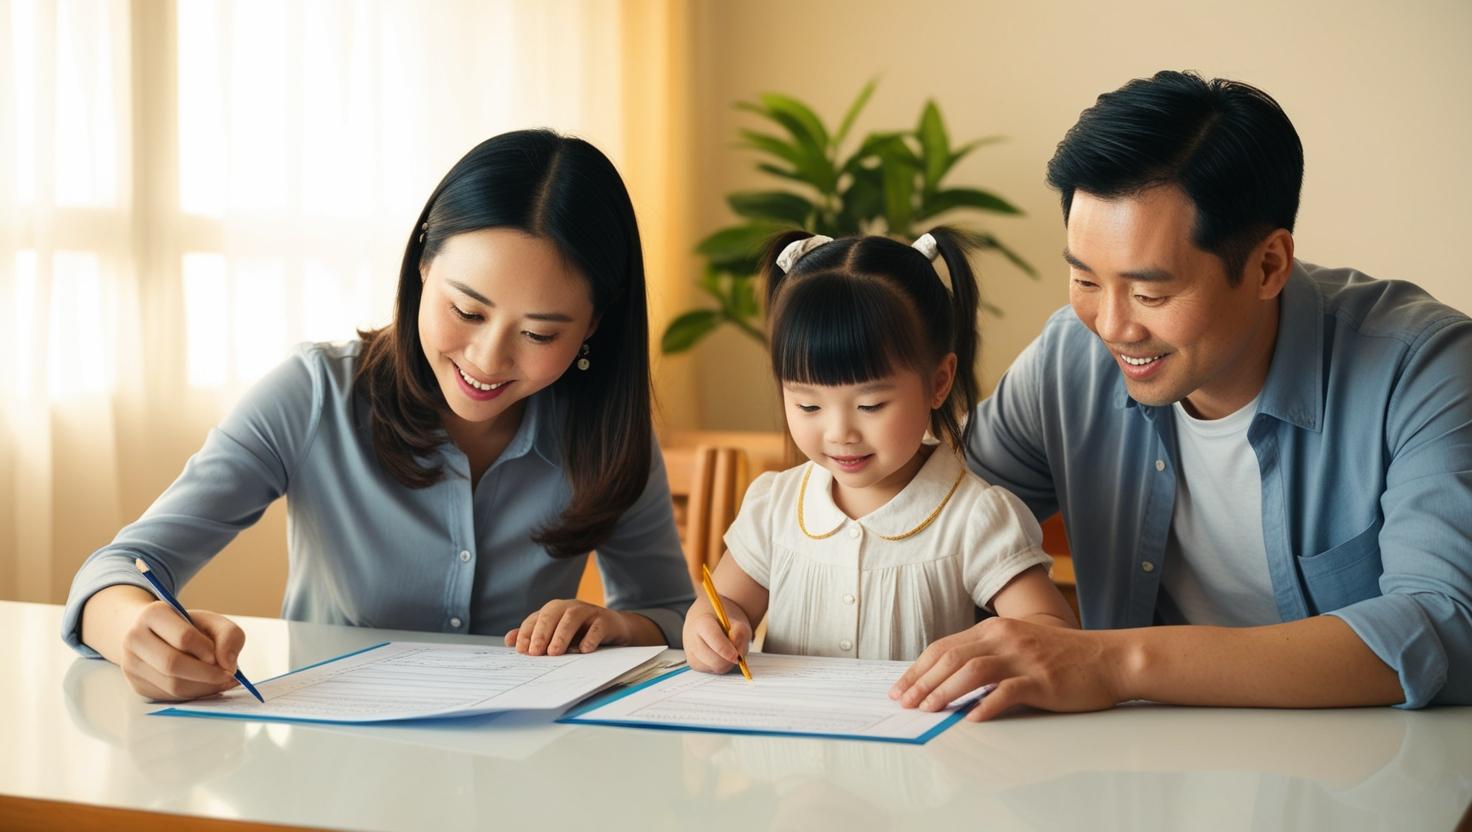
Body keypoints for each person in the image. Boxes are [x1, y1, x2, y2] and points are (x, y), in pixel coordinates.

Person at [889, 70, 1472, 720]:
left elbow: (1443, 625)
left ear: (1268, 266)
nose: (1112, 327)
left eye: (1150, 293)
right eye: (1084, 279)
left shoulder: (1425, 368)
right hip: (1133, 779)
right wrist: (753, 592)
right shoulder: (1069, 359)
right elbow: (932, 521)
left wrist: (1114, 662)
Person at [63, 129, 694, 701]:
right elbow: (118, 569)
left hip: (518, 775)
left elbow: (670, 612)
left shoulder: (607, 433)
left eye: (538, 334)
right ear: (423, 267)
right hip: (330, 782)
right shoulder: (315, 394)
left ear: (593, 327)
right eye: (468, 312)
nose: (488, 358)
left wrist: (618, 625)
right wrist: (132, 628)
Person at [684, 229, 1076, 674]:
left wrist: (999, 649)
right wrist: (711, 628)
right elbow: (724, 603)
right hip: (793, 740)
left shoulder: (975, 518)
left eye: (870, 405)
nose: (840, 432)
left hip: (922, 741)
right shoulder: (775, 505)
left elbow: (1051, 634)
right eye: (808, 404)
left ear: (939, 382)